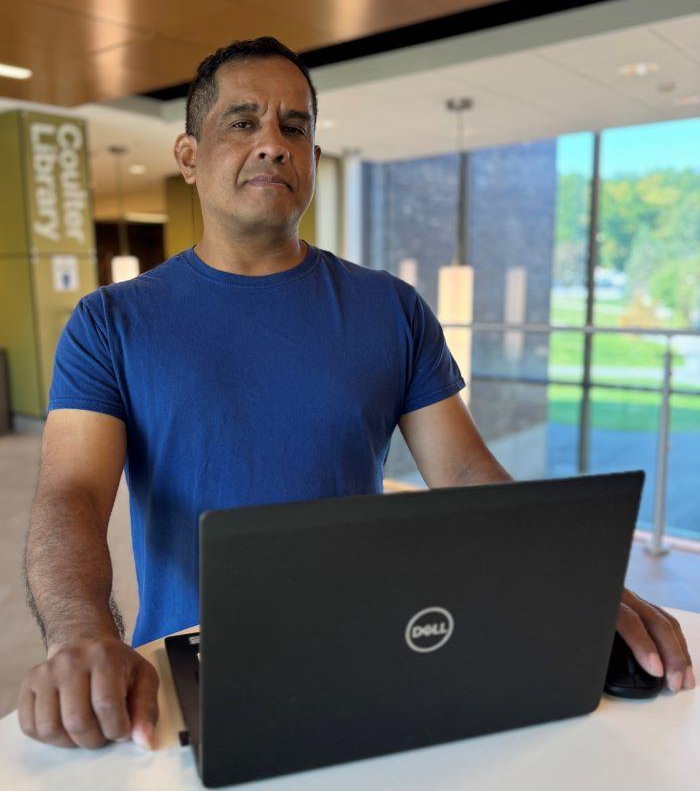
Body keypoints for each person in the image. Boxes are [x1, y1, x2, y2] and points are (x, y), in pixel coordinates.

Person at [18, 37, 694, 753]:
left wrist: (571, 583)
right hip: (192, 670)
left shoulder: (391, 309)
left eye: (295, 126)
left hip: (371, 648)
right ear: (189, 155)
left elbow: (465, 475)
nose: (274, 144)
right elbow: (73, 495)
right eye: (243, 123)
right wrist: (82, 632)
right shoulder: (111, 321)